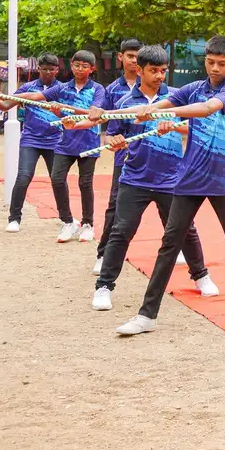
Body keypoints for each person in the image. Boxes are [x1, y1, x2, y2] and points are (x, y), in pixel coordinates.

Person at [114, 35, 225, 335]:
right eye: (210, 62)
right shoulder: (194, 87)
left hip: (223, 175)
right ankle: (147, 315)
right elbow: (162, 102)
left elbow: (206, 109)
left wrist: (161, 111)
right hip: (191, 176)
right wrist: (143, 109)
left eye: (221, 64)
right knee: (170, 242)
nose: (214, 68)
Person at [84, 45, 219, 310]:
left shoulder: (177, 100)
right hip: (134, 178)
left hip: (172, 179)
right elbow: (111, 135)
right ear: (140, 69)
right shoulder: (124, 103)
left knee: (185, 230)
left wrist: (174, 123)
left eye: (163, 71)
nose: (159, 76)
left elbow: (194, 127)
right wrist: (115, 140)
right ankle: (104, 287)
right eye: (153, 71)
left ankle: (201, 275)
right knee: (121, 232)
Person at [36, 51, 106, 242]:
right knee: (57, 179)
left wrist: (71, 113)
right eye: (76, 65)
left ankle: (88, 224)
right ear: (71, 66)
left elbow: (95, 113)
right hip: (65, 143)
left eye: (85, 66)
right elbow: (37, 97)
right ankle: (67, 222)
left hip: (88, 143)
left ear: (92, 69)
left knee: (85, 184)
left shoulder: (98, 89)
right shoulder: (62, 88)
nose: (80, 69)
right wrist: (5, 97)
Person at [0, 55, 62, 233]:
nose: (48, 72)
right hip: (31, 140)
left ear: (57, 70)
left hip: (55, 141)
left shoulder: (63, 89)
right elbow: (5, 105)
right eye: (45, 69)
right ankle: (14, 219)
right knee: (23, 177)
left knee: (58, 180)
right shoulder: (28, 88)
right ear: (39, 69)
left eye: (52, 69)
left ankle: (66, 219)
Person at [94, 38, 142, 275]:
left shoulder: (154, 85)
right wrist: (113, 140)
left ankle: (182, 249)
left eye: (138, 56)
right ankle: (103, 255)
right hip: (125, 158)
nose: (134, 61)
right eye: (130, 56)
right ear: (120, 57)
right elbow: (110, 128)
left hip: (156, 156)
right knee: (115, 206)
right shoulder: (112, 90)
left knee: (173, 205)